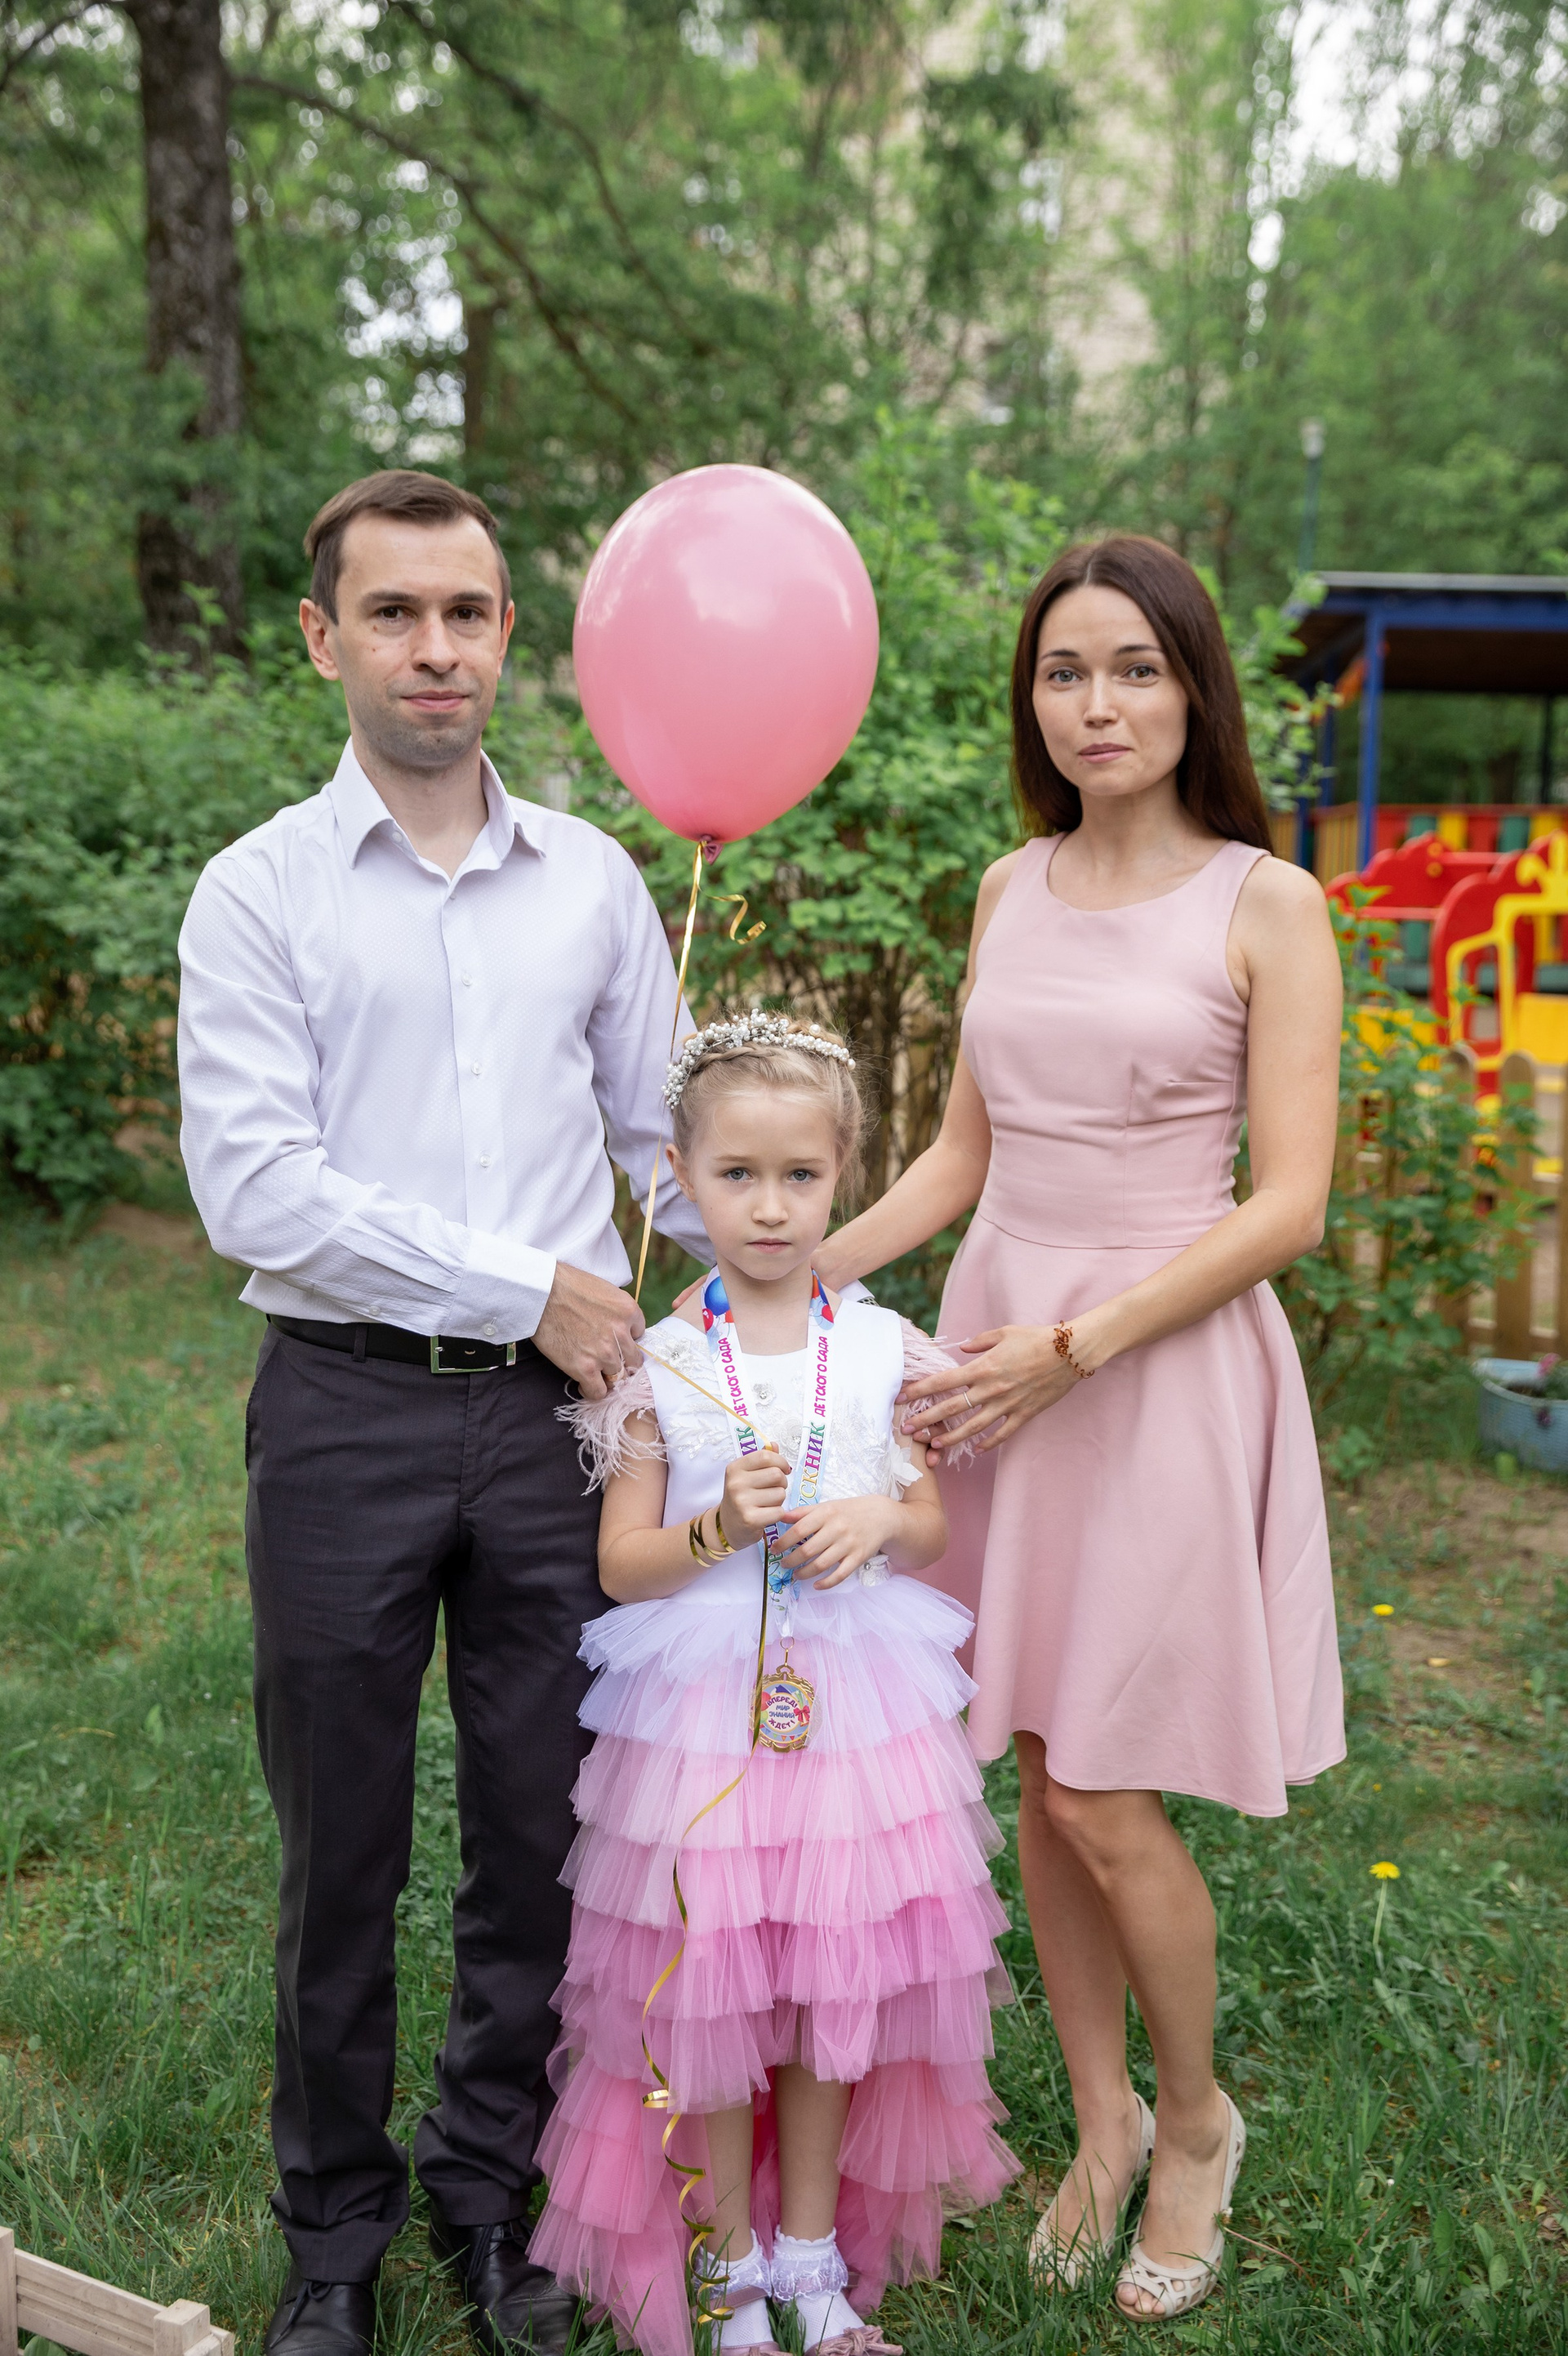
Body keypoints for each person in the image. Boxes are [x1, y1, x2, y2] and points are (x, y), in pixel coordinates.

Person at [177, 470, 711, 2356]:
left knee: (543, 1823)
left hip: (569, 1429)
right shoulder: (258, 890)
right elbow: (259, 1191)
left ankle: (492, 2193)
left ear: (507, 638)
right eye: (394, 612)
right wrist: (527, 1286)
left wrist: (799, 1288)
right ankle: (333, 2232)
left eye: (466, 612)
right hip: (345, 1411)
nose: (434, 648)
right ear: (323, 635)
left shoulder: (596, 882)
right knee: (340, 1841)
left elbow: (671, 1141)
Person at [814, 537, 1346, 2322]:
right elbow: (965, 1156)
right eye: (1063, 672)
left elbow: (1289, 1203)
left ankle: (1197, 2123)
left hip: (1154, 1359)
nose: (1096, 703)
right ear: (1031, 699)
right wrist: (800, 1266)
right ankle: (1101, 2119)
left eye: (1134, 667)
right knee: (1036, 1755)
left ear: (1193, 687)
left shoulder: (1266, 901)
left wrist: (1074, 1347)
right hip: (999, 1353)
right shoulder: (1009, 885)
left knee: (1107, 1788)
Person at [528, 1013, 1020, 2356]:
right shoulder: (663, 1361)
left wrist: (879, 1519)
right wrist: (714, 1531)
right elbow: (623, 1563)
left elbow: (926, 1526)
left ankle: (812, 2254)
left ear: (843, 1173)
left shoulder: (879, 1345)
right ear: (678, 1177)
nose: (768, 1205)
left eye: (800, 1175)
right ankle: (732, 2267)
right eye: (736, 1174)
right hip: (700, 1719)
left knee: (828, 1988)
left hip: (852, 1718)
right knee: (717, 1990)